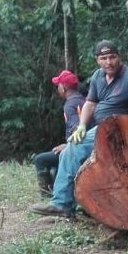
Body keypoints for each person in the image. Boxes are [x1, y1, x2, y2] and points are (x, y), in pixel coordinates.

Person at [30, 40, 128, 217]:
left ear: (119, 57)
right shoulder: (98, 76)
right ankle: (67, 204)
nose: (109, 62)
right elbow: (90, 103)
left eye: (112, 57)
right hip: (100, 128)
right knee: (68, 151)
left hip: (116, 128)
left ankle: (61, 203)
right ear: (97, 59)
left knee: (73, 149)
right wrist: (81, 125)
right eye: (104, 58)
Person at [33, 70, 86, 198]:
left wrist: (67, 146)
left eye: (58, 86)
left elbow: (77, 129)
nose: (57, 89)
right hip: (84, 144)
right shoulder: (83, 100)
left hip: (77, 147)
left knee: (39, 159)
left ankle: (46, 195)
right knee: (55, 163)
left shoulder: (70, 104)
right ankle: (57, 192)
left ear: (64, 87)